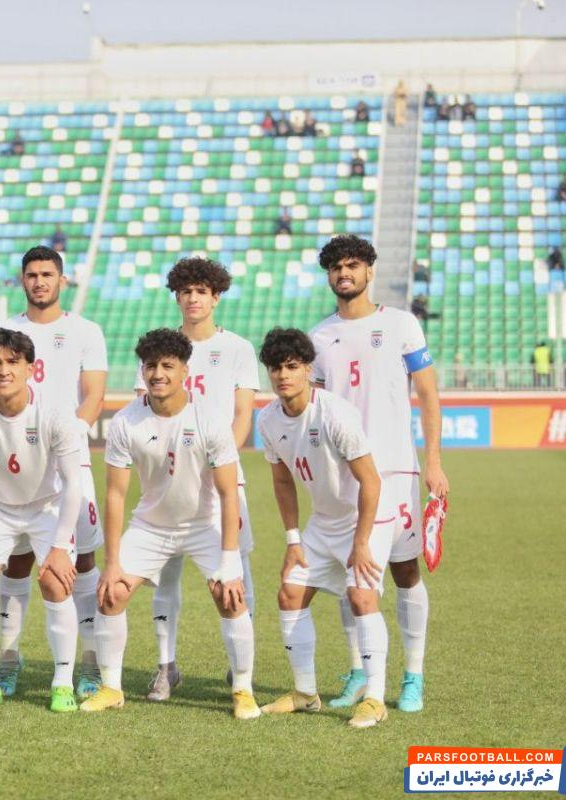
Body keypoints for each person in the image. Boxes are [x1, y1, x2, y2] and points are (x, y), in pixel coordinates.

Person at [81, 328, 256, 718]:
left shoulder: (209, 419)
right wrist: (111, 563)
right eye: (150, 366)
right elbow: (115, 495)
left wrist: (230, 561)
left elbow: (229, 493)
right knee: (110, 593)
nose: (157, 374)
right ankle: (111, 688)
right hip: (152, 525)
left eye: (167, 366)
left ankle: (243, 690)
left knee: (229, 595)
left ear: (184, 371)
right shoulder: (126, 422)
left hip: (204, 523)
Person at [309, 234, 449, 715]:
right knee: (350, 573)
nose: (343, 273)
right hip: (342, 475)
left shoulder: (402, 324)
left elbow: (428, 395)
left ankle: (414, 675)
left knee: (404, 570)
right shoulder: (318, 337)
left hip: (394, 468)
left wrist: (433, 461)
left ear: (369, 271)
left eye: (352, 265)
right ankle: (359, 671)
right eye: (335, 267)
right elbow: (316, 409)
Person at [130, 258, 260, 701]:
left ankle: (239, 667)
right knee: (166, 577)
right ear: (177, 297)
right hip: (168, 482)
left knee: (236, 571)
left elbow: (242, 416)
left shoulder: (238, 349)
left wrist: (217, 462)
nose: (193, 298)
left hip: (221, 480)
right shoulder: (159, 348)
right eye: (185, 291)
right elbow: (144, 414)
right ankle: (166, 667)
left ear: (215, 296)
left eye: (201, 291)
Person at [256, 327, 395, 729]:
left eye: (292, 366)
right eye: (276, 368)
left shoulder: (334, 413)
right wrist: (292, 539)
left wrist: (362, 542)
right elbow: (282, 481)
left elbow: (371, 481)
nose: (283, 375)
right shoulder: (268, 420)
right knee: (290, 593)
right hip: (322, 523)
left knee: (361, 596)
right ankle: (305, 694)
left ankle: (374, 699)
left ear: (307, 369)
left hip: (366, 518)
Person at [0, 327, 85, 712]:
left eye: (12, 362)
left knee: (56, 581)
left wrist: (59, 547)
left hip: (47, 505)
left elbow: (74, 483)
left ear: (30, 369)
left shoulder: (54, 411)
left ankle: (62, 684)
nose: (3, 370)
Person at [0, 246, 108, 701]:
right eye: (32, 275)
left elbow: (93, 395)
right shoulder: (6, 331)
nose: (39, 282)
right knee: (16, 561)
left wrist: (68, 440)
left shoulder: (85, 331)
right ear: (22, 280)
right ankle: (8, 658)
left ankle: (90, 660)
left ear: (62, 280)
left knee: (82, 561)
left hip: (69, 460)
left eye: (47, 274)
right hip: (18, 464)